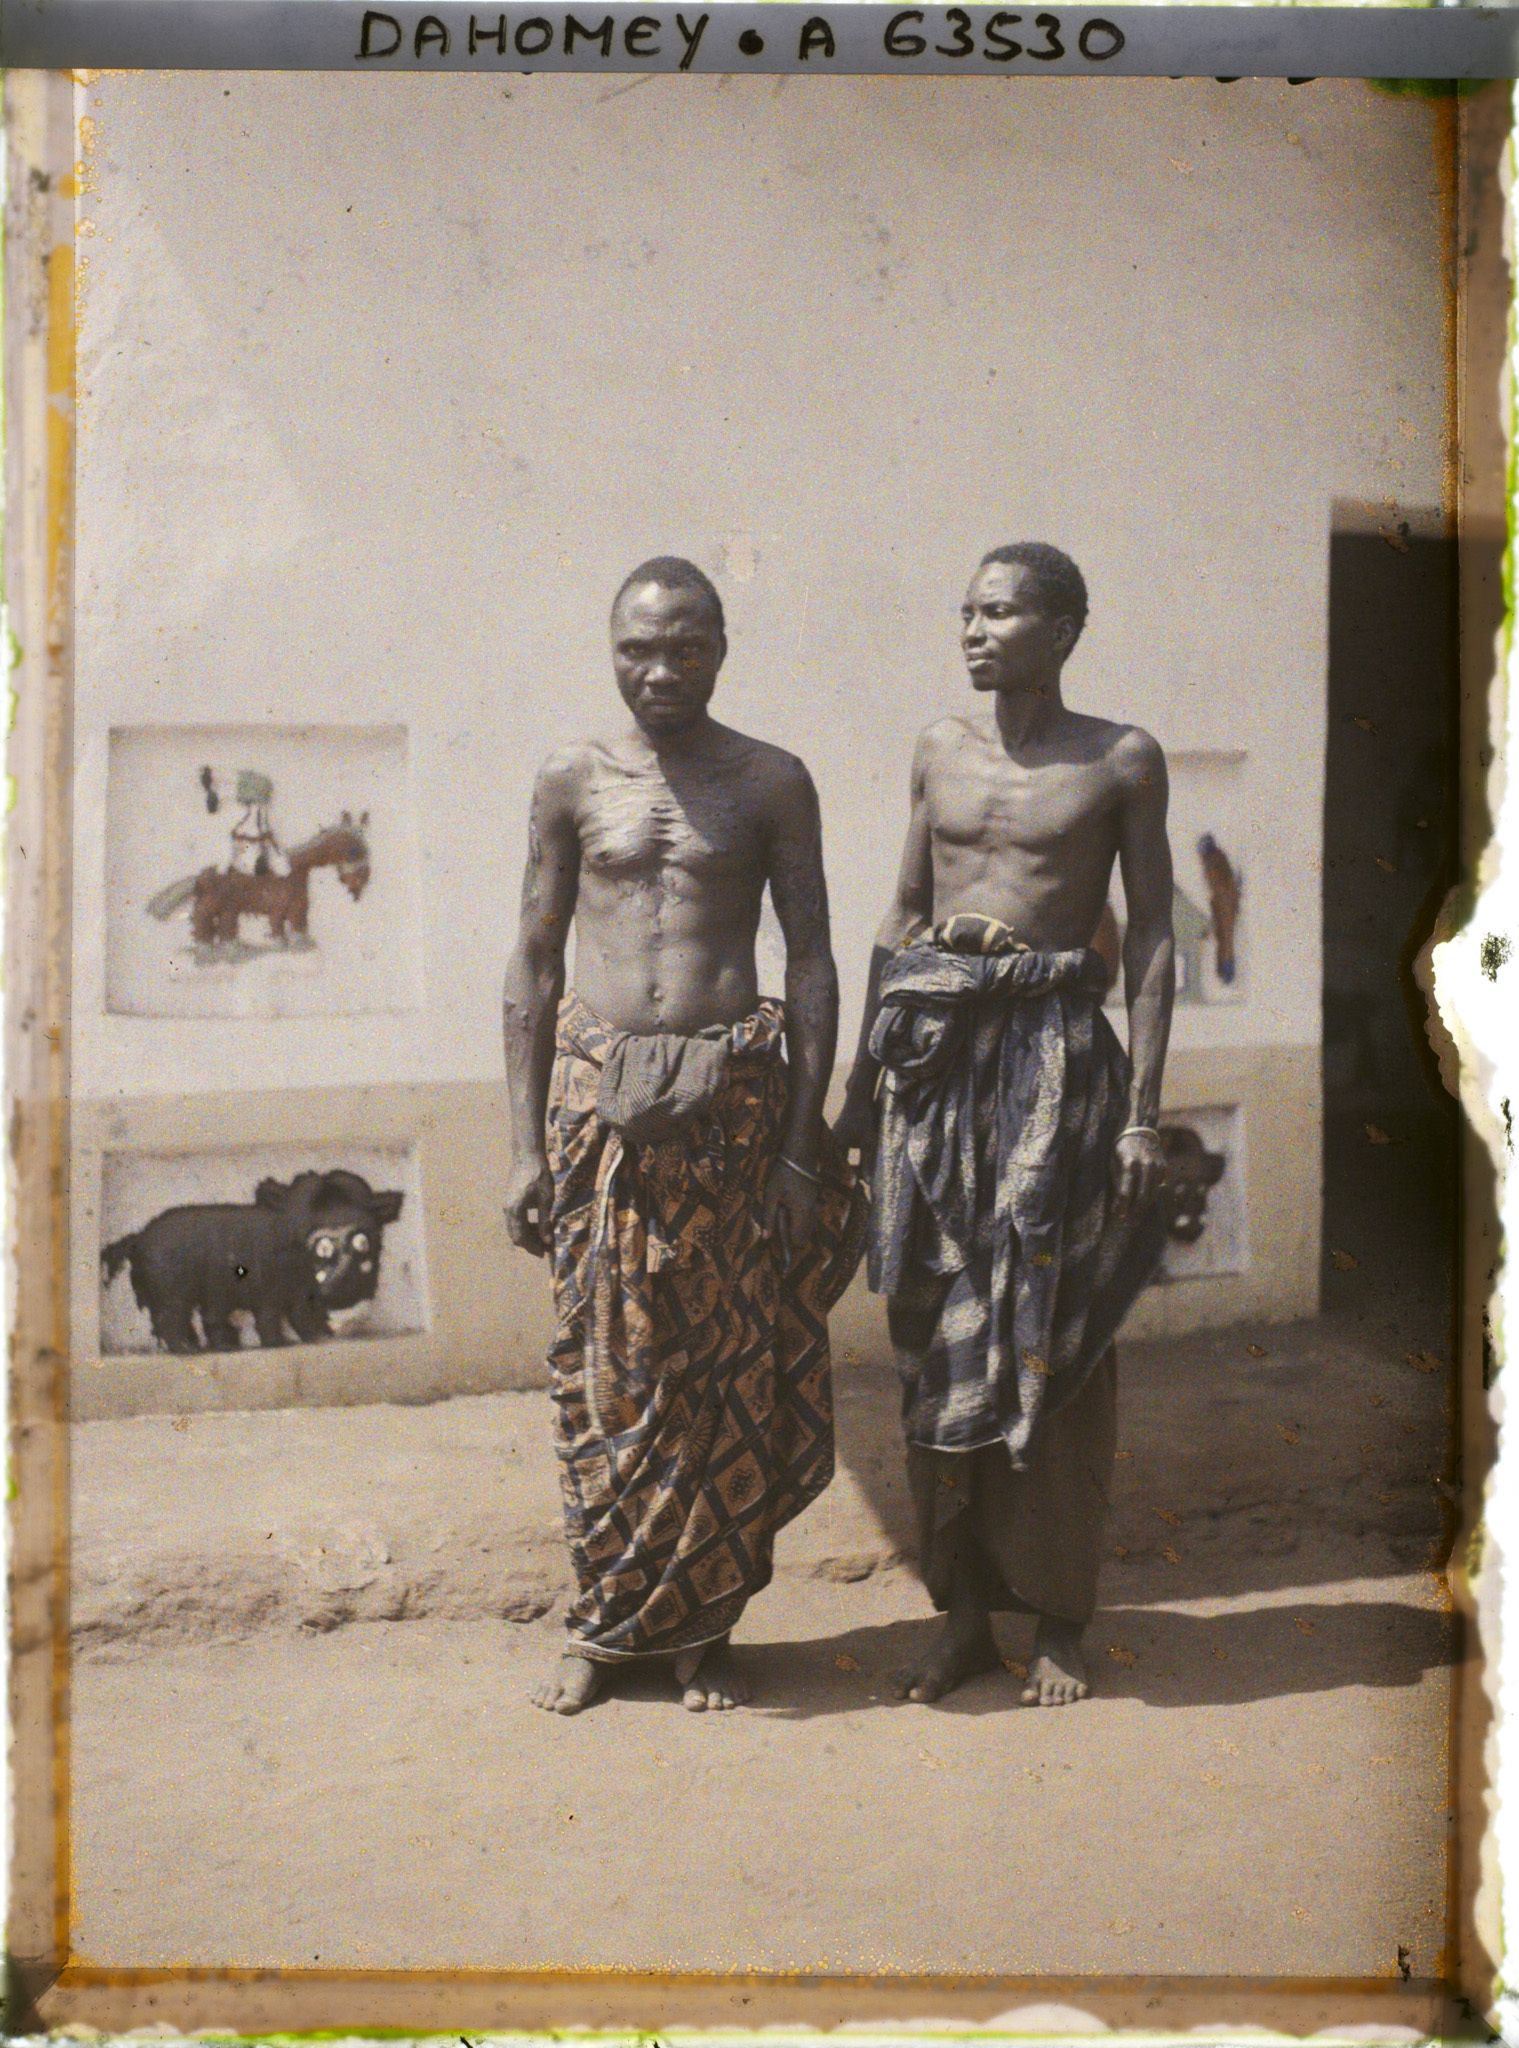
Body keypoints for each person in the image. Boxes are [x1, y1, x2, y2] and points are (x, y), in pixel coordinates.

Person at [503, 556, 865, 1717]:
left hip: (732, 1113)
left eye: (686, 645)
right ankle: (606, 1629)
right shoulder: (570, 776)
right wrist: (520, 1142)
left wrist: (805, 1142)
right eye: (636, 648)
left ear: (721, 646)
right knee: (603, 1374)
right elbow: (535, 959)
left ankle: (701, 1628)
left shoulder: (770, 781)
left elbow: (810, 957)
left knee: (720, 1371)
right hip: (597, 1107)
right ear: (610, 649)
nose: (660, 669)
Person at [833, 542, 1175, 1709]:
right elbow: (904, 909)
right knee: (930, 1335)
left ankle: (1063, 1617)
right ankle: (966, 1616)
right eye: (965, 610)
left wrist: (1142, 1115)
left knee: (1060, 1336)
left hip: (1055, 1070)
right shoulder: (939, 747)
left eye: (1000, 610)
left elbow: (1157, 937)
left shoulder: (1120, 759)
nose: (974, 629)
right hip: (933, 1074)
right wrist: (854, 1086)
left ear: (1066, 627)